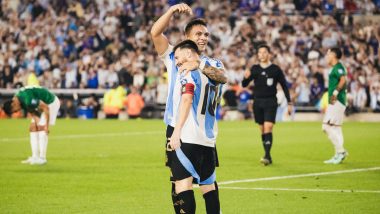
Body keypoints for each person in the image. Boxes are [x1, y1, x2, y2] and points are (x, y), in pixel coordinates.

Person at [150, 3, 227, 213]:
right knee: (181, 181)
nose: (203, 37)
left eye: (206, 34)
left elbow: (222, 78)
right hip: (183, 129)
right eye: (198, 33)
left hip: (191, 132)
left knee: (188, 182)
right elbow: (155, 32)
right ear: (186, 35)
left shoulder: (213, 64)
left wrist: (199, 65)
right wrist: (171, 10)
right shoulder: (175, 57)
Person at [169, 40, 222, 214]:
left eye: (178, 57)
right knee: (208, 187)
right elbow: (223, 77)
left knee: (183, 184)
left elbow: (187, 99)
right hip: (208, 140)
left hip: (189, 137)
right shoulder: (215, 67)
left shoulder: (188, 72)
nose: (177, 62)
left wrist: (176, 132)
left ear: (189, 53)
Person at [242, 44, 292, 166]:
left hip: (271, 101)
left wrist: (289, 102)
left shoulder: (275, 69)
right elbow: (244, 85)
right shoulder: (254, 69)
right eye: (260, 53)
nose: (262, 55)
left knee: (268, 127)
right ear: (258, 55)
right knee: (262, 130)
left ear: (269, 54)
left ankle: (267, 155)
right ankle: (267, 154)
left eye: (264, 52)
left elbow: (284, 86)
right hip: (257, 102)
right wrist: (246, 77)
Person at [2, 86, 61, 165]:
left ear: (13, 103)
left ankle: (42, 158)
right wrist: (36, 122)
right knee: (33, 128)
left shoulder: (27, 99)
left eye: (15, 110)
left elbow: (45, 108)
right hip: (43, 105)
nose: (17, 111)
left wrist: (46, 126)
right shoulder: (18, 100)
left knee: (42, 129)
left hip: (51, 103)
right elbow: (31, 110)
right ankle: (35, 157)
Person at [322, 47, 348, 164]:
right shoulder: (334, 68)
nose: (326, 56)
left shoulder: (338, 67)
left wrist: (336, 93)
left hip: (337, 100)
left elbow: (343, 80)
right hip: (337, 101)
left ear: (333, 55)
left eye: (328, 54)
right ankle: (338, 154)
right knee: (336, 128)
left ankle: (341, 152)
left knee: (326, 127)